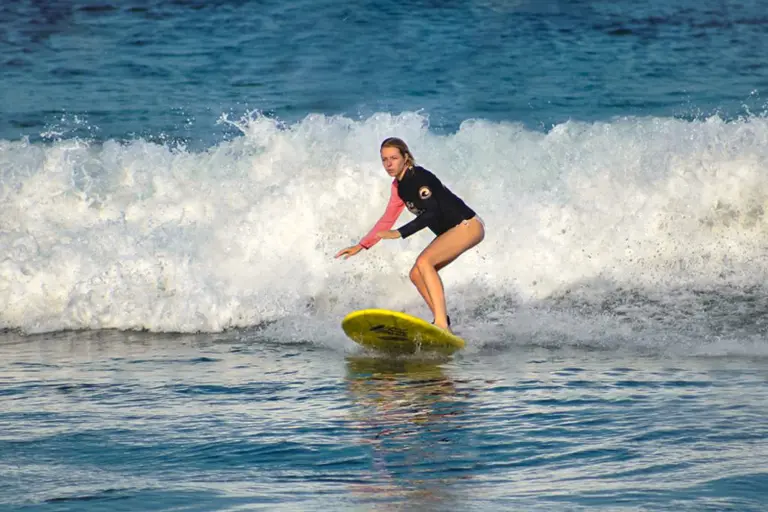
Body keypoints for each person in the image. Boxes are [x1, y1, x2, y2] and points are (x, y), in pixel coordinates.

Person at [335, 137, 485, 332]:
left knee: (424, 262)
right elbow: (387, 219)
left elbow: (432, 212)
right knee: (416, 274)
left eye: (393, 158)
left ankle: (440, 323)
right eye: (384, 159)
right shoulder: (398, 187)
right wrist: (362, 245)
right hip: (452, 230)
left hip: (467, 225)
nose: (388, 164)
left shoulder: (418, 178)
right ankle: (443, 324)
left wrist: (400, 233)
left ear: (406, 158)